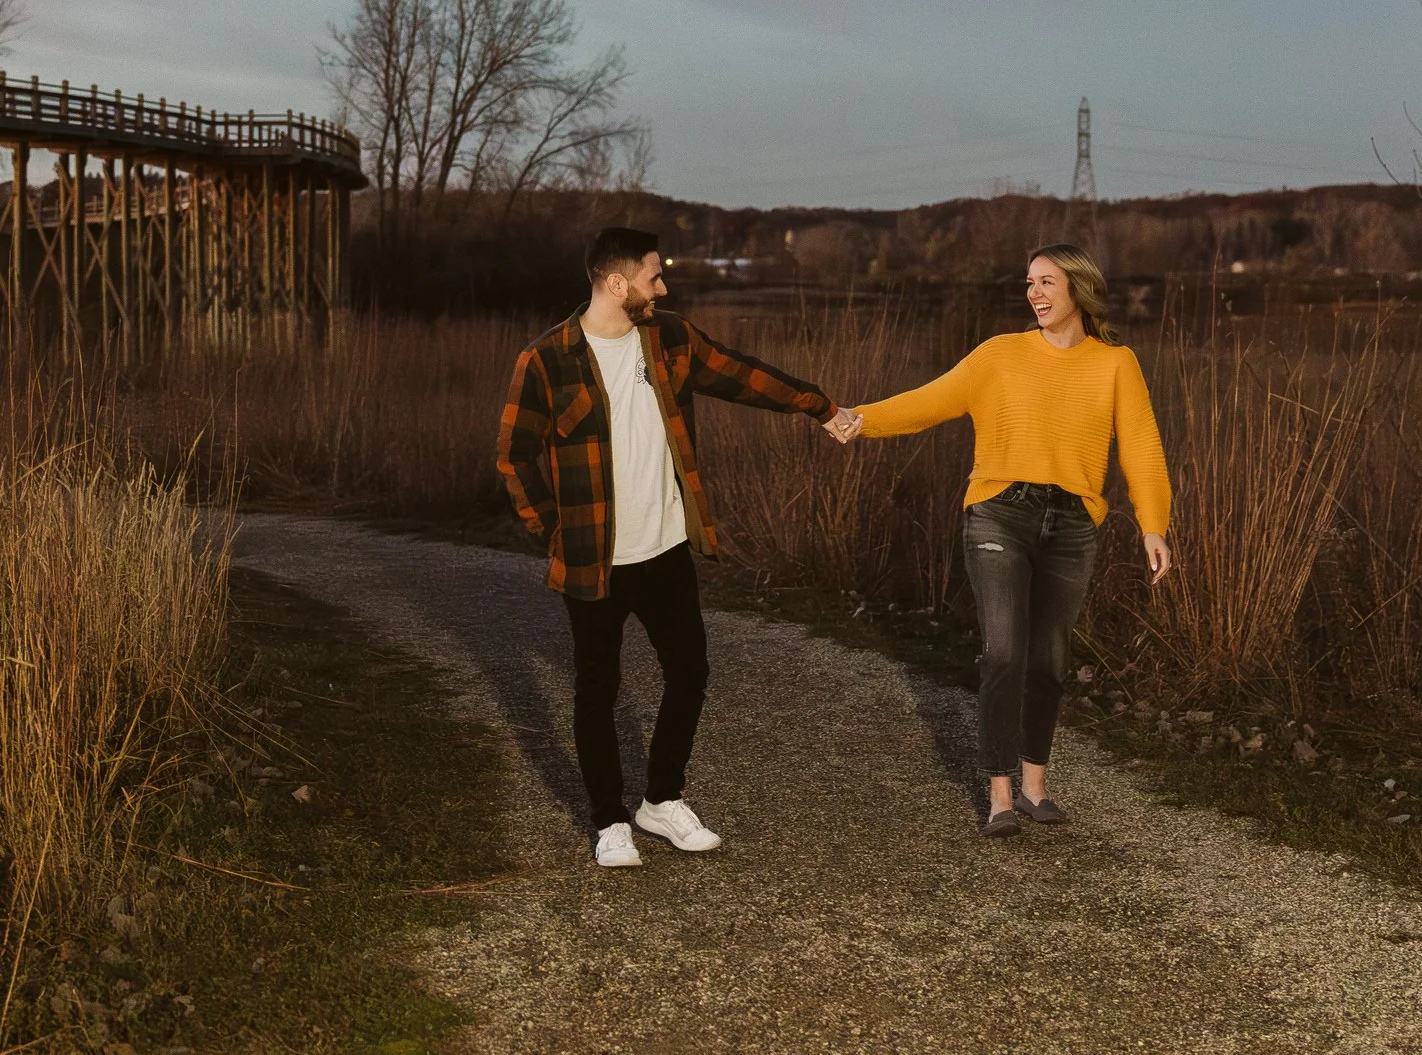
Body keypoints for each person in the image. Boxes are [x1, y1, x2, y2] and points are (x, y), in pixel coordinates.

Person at [499, 226, 849, 869]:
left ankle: (661, 800)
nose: (663, 287)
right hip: (593, 559)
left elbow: (743, 376)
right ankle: (609, 821)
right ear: (615, 283)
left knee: (689, 672)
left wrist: (817, 405)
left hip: (664, 548)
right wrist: (550, 529)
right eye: (653, 276)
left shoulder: (669, 339)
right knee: (596, 690)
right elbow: (514, 457)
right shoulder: (546, 361)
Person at [829, 244, 1172, 836]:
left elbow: (1141, 444)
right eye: (1029, 283)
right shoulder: (999, 355)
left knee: (1050, 659)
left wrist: (1153, 525)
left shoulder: (1116, 363)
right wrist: (860, 418)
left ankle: (1036, 788)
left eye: (1046, 282)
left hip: (1072, 522)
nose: (1034, 293)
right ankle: (1000, 797)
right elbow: (929, 402)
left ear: (1078, 290)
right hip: (998, 514)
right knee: (1006, 652)